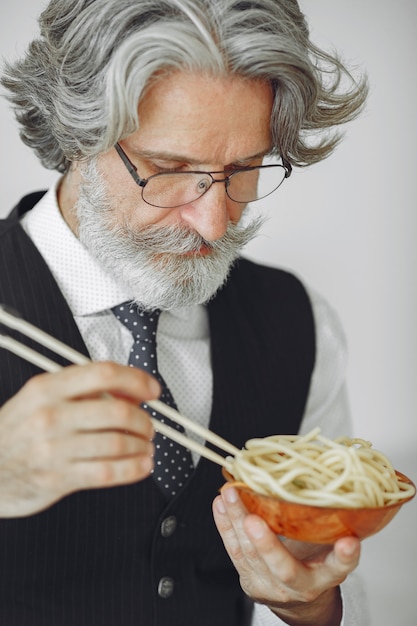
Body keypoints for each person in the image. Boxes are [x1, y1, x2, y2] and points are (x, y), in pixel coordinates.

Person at [0, 1, 369, 624]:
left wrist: (313, 603)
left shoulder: (297, 323)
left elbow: (347, 589)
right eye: (169, 171)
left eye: (245, 170)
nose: (214, 220)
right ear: (75, 135)